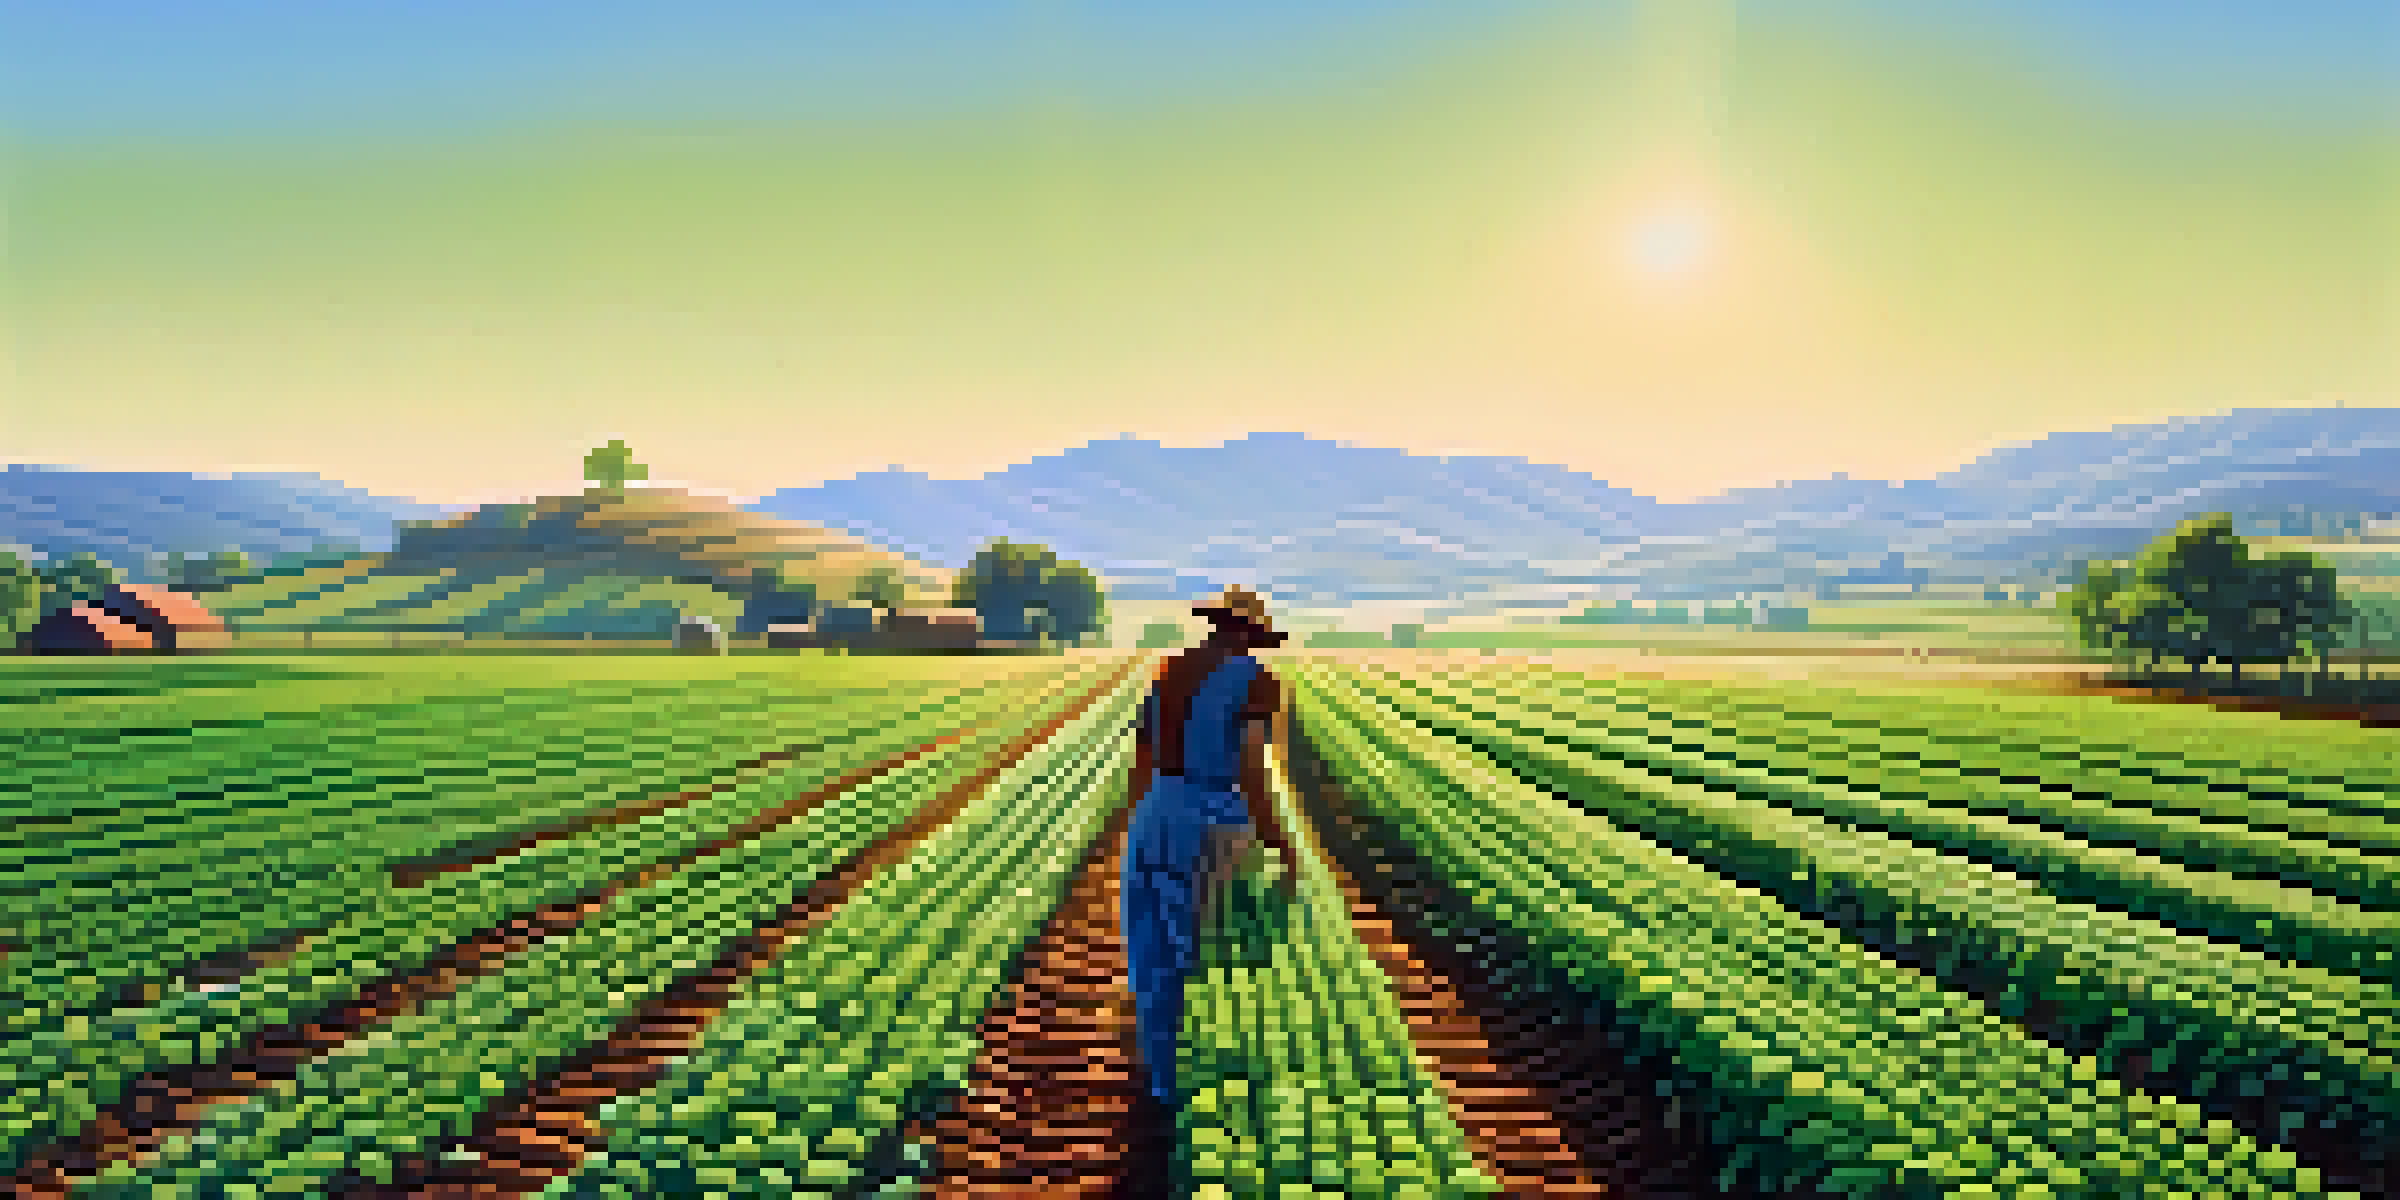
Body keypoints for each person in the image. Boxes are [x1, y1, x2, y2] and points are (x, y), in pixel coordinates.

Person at [1120, 584, 1298, 1111]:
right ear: (1250, 634)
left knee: (1153, 952)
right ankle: (1204, 1094)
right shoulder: (1257, 682)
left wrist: (1141, 819)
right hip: (1216, 814)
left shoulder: (1169, 672)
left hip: (1159, 806)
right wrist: (1276, 840)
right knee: (1209, 956)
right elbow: (1250, 763)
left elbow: (1143, 754)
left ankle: (1162, 1082)